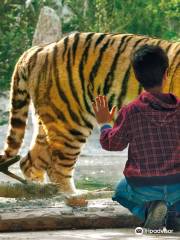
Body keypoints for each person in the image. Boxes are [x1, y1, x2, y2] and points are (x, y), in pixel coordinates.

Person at [92, 45, 180, 230]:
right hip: (178, 184)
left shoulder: (131, 111)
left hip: (143, 186)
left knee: (120, 191)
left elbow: (112, 144)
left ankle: (148, 209)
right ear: (166, 73)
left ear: (136, 76)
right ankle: (174, 213)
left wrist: (105, 123)